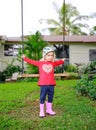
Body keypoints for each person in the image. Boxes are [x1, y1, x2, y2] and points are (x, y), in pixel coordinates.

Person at [22, 46, 65, 118]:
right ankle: (42, 111)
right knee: (42, 97)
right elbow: (31, 61)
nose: (50, 57)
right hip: (43, 84)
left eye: (52, 55)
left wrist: (62, 60)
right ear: (44, 56)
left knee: (50, 96)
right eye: (48, 55)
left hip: (51, 83)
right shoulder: (40, 63)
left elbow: (58, 62)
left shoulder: (52, 63)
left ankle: (49, 109)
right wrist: (24, 58)